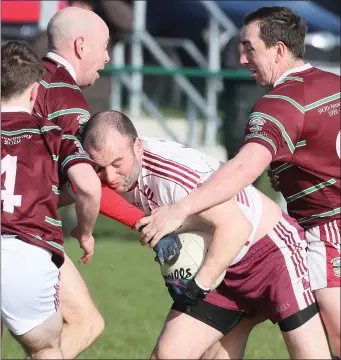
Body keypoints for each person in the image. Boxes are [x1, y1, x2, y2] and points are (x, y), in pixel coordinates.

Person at [136, 6, 341, 357]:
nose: (242, 57)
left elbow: (245, 167)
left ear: (278, 49)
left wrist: (180, 208)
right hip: (308, 233)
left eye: (249, 47)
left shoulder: (278, 105)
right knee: (231, 329)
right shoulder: (332, 83)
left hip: (325, 233)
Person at [81, 110, 332, 359]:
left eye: (117, 164)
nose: (110, 176)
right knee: (169, 354)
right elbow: (82, 189)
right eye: (100, 168)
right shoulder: (113, 171)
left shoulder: (171, 175)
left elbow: (236, 226)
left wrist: (198, 286)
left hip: (273, 255)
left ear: (137, 146)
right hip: (220, 259)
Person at [33, 7, 180, 358]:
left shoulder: (25, 78)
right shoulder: (66, 100)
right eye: (104, 45)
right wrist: (140, 221)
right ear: (81, 46)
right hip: (23, 229)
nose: (108, 57)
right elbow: (88, 182)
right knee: (82, 324)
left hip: (21, 224)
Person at [1, 40, 101, 359]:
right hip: (27, 251)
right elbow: (88, 186)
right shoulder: (53, 134)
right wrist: (84, 231)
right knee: (45, 347)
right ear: (34, 91)